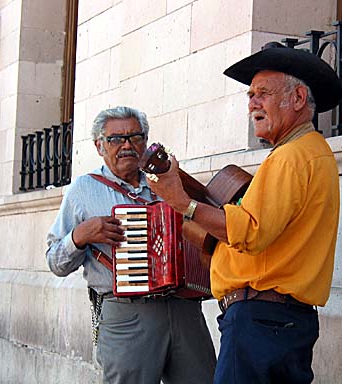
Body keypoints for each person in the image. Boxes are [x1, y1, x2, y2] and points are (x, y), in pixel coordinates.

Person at [147, 43, 342, 384]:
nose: (252, 103)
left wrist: (183, 203)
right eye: (250, 95)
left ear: (298, 99)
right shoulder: (310, 153)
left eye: (263, 93)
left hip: (261, 319)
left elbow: (251, 232)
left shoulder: (291, 156)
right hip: (278, 320)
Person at [45, 106, 216, 384]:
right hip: (127, 316)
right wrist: (80, 236)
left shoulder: (168, 183)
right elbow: (55, 261)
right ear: (99, 146)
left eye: (135, 137)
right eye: (115, 139)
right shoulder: (83, 190)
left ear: (146, 143)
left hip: (185, 309)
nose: (127, 145)